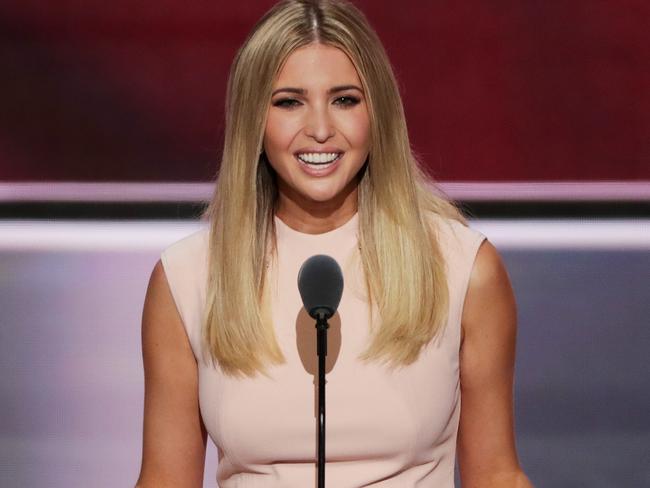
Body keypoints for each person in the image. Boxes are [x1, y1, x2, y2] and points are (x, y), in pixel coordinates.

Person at [136, 0, 533, 486]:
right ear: (253, 120)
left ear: (378, 111)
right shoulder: (188, 279)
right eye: (289, 102)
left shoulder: (462, 269)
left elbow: (496, 474)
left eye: (345, 100)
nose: (321, 129)